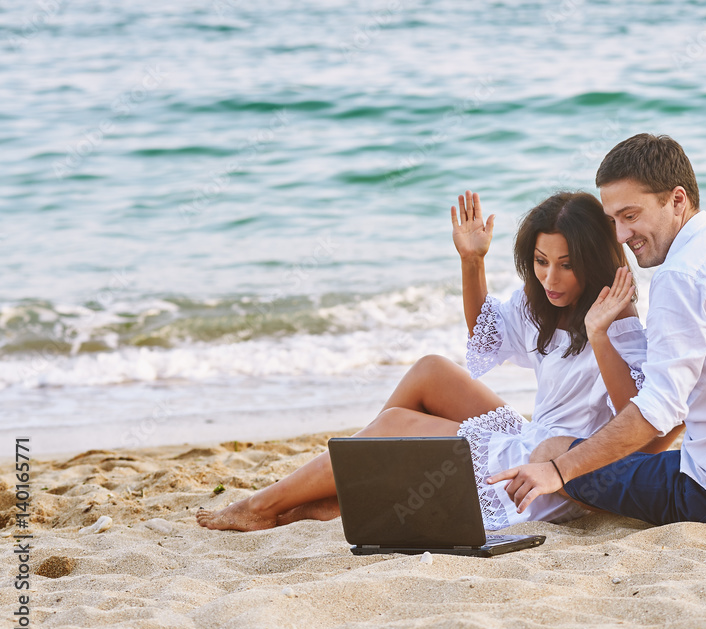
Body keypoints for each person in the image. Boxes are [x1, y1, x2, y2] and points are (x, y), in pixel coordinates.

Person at [197, 189, 675, 532]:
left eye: (566, 264)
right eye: (540, 260)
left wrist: (600, 334)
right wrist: (473, 262)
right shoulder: (550, 305)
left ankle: (266, 504)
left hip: (549, 474)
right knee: (431, 370)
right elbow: (486, 333)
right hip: (532, 436)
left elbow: (639, 420)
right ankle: (356, 488)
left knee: (393, 425)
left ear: (593, 261)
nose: (551, 276)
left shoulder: (618, 325)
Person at [491, 134, 706, 527]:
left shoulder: (680, 276)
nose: (621, 236)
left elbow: (658, 412)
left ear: (677, 200)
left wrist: (559, 469)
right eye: (613, 222)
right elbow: (676, 380)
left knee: (549, 450)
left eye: (631, 216)